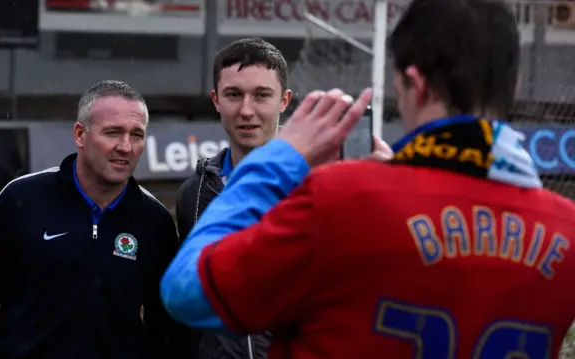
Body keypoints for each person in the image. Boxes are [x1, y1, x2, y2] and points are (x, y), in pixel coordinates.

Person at [159, 0, 575, 358]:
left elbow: (185, 291)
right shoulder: (566, 227)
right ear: (514, 85)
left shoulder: (343, 198)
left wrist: (277, 160)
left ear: (413, 83)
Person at [0, 80, 189, 359]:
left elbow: (166, 325)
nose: (126, 146)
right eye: (113, 133)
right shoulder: (21, 199)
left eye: (137, 135)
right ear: (80, 134)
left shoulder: (155, 220)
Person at [175, 37, 292, 359]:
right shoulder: (194, 193)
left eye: (261, 95)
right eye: (233, 95)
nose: (246, 110)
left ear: (284, 100)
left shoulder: (319, 185)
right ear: (216, 100)